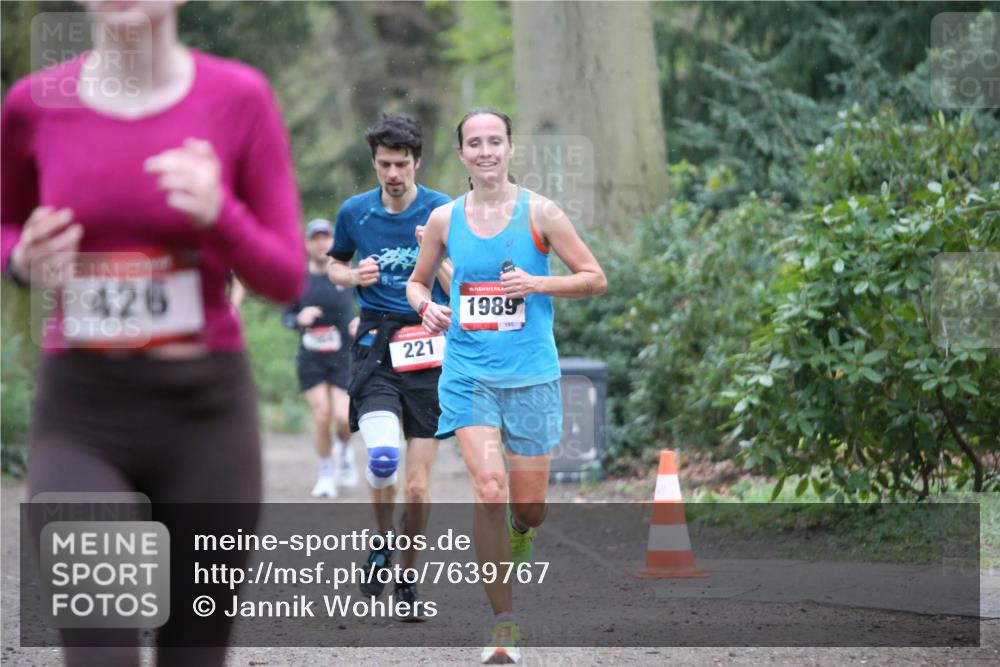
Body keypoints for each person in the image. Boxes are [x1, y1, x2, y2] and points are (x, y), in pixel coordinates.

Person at [1, 3, 303, 665]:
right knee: (99, 649)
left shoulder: (239, 97)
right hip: (80, 418)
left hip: (206, 423)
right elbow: (5, 223)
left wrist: (220, 214)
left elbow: (286, 275)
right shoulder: (32, 105)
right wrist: (21, 258)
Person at [407, 107, 607, 664]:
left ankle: (524, 528)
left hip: (532, 375)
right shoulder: (447, 220)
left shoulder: (542, 213)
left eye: (496, 141)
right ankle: (504, 624)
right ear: (462, 154)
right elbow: (418, 284)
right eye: (476, 143)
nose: (487, 151)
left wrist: (537, 282)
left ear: (511, 148)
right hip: (469, 373)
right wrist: (427, 309)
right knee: (488, 488)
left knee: (531, 507)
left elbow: (595, 278)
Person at [327, 113, 453, 619]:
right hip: (376, 341)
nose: (393, 173)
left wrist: (434, 250)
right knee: (383, 459)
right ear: (374, 164)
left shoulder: (442, 209)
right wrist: (353, 274)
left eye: (402, 163)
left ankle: (407, 576)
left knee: (419, 486)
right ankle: (381, 543)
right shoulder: (354, 212)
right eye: (385, 164)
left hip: (427, 343)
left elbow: (458, 278)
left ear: (417, 162)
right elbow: (334, 264)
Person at [282, 218, 359, 498]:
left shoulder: (345, 275)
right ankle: (326, 473)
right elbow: (286, 316)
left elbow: (364, 305)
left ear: (333, 241)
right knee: (321, 415)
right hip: (311, 358)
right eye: (316, 238)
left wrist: (358, 322)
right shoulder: (298, 279)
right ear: (307, 243)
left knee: (342, 418)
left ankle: (345, 450)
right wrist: (298, 318)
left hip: (342, 356)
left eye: (326, 237)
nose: (321, 242)